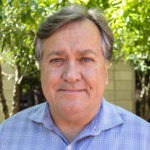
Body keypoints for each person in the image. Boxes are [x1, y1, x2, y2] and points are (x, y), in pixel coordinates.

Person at [0, 4, 149, 150]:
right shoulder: (5, 136)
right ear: (41, 70)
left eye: (86, 59)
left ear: (105, 71)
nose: (71, 76)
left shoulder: (144, 139)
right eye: (57, 60)